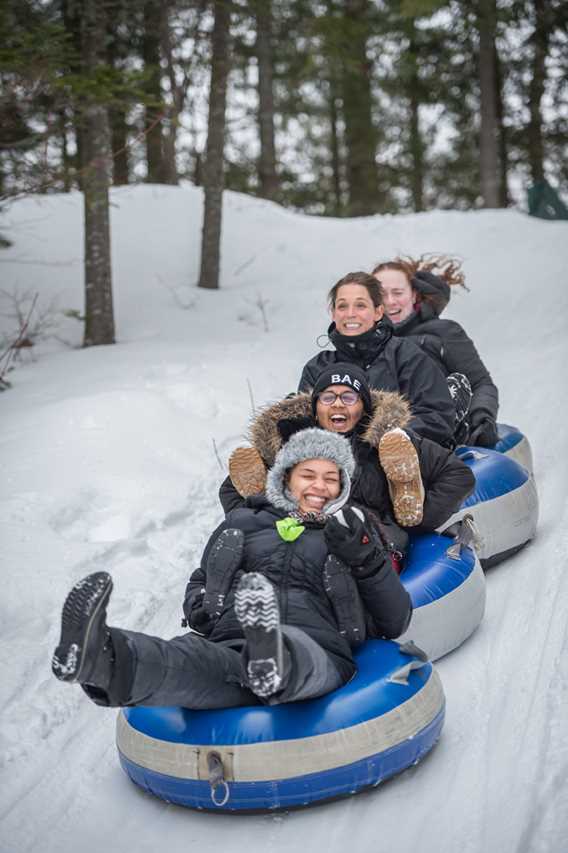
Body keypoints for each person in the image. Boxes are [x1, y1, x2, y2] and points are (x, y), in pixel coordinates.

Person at [52, 429, 412, 710]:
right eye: (308, 475)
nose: (319, 486)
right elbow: (200, 584)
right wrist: (209, 602)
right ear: (286, 479)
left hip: (318, 646)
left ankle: (273, 656)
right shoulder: (243, 522)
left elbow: (395, 619)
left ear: (343, 487)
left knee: (293, 653)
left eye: (331, 478)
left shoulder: (354, 530)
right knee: (189, 659)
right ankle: (100, 658)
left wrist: (365, 556)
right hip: (234, 640)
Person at [221, 364, 475, 565]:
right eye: (328, 397)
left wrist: (418, 521)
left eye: (349, 397)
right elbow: (231, 490)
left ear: (364, 406)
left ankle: (406, 492)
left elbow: (457, 475)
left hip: (370, 536)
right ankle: (262, 509)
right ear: (315, 407)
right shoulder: (292, 445)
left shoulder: (390, 442)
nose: (339, 404)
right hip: (300, 532)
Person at [297, 271, 456, 447]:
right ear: (333, 314)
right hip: (336, 464)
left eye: (360, 305)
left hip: (396, 457)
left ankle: (462, 420)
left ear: (378, 312)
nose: (350, 313)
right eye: (342, 306)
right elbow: (305, 426)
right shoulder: (318, 367)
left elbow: (436, 416)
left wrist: (384, 441)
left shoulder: (405, 355)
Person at [372, 256, 499, 447]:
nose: (390, 301)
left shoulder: (443, 333)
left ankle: (450, 421)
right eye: (381, 295)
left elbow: (480, 383)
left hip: (440, 429)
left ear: (414, 295)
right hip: (386, 433)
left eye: (398, 293)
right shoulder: (365, 344)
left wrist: (481, 420)